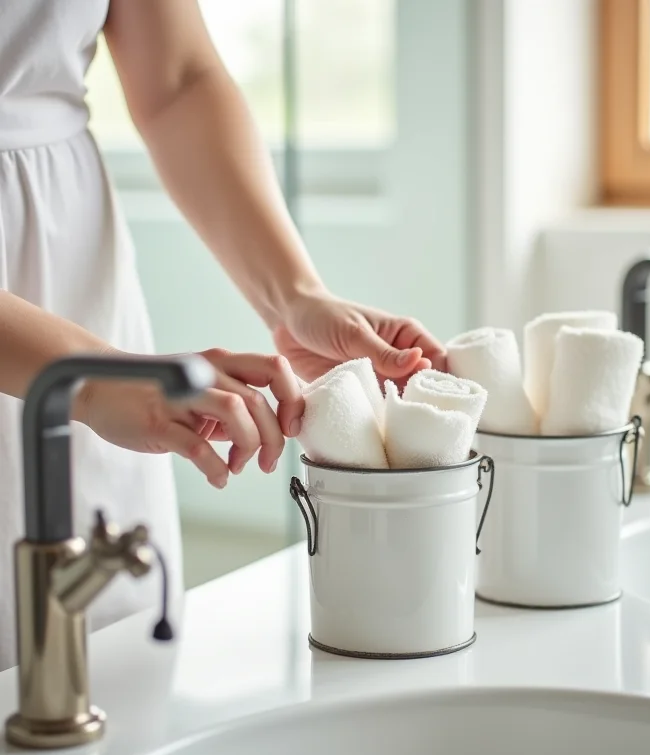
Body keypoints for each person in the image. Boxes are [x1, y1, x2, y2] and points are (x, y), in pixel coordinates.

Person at [0, 0, 446, 671]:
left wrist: (293, 295)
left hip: (71, 264)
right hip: (76, 354)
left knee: (107, 664)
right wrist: (88, 380)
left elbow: (179, 79)